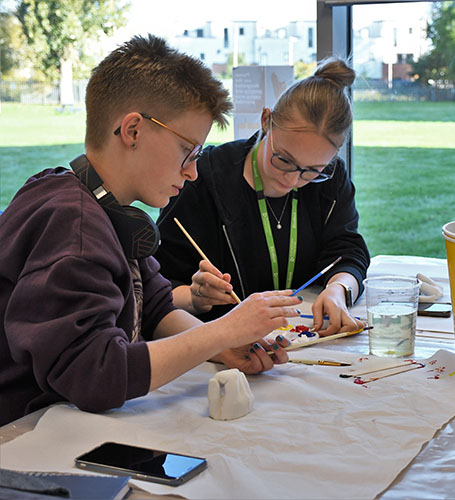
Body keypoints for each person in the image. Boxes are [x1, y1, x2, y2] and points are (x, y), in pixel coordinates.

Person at [0, 35, 302, 426]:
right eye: (187, 151)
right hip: (22, 434)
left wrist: (226, 343)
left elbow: (156, 306)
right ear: (133, 131)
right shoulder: (73, 226)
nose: (193, 171)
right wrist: (221, 332)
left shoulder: (109, 209)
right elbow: (95, 375)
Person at [156, 58, 370, 336]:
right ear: (266, 121)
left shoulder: (332, 177)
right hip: (221, 348)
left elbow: (347, 251)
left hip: (304, 343)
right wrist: (194, 297)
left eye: (312, 171)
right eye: (283, 160)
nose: (292, 180)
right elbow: (157, 286)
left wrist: (339, 289)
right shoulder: (203, 179)